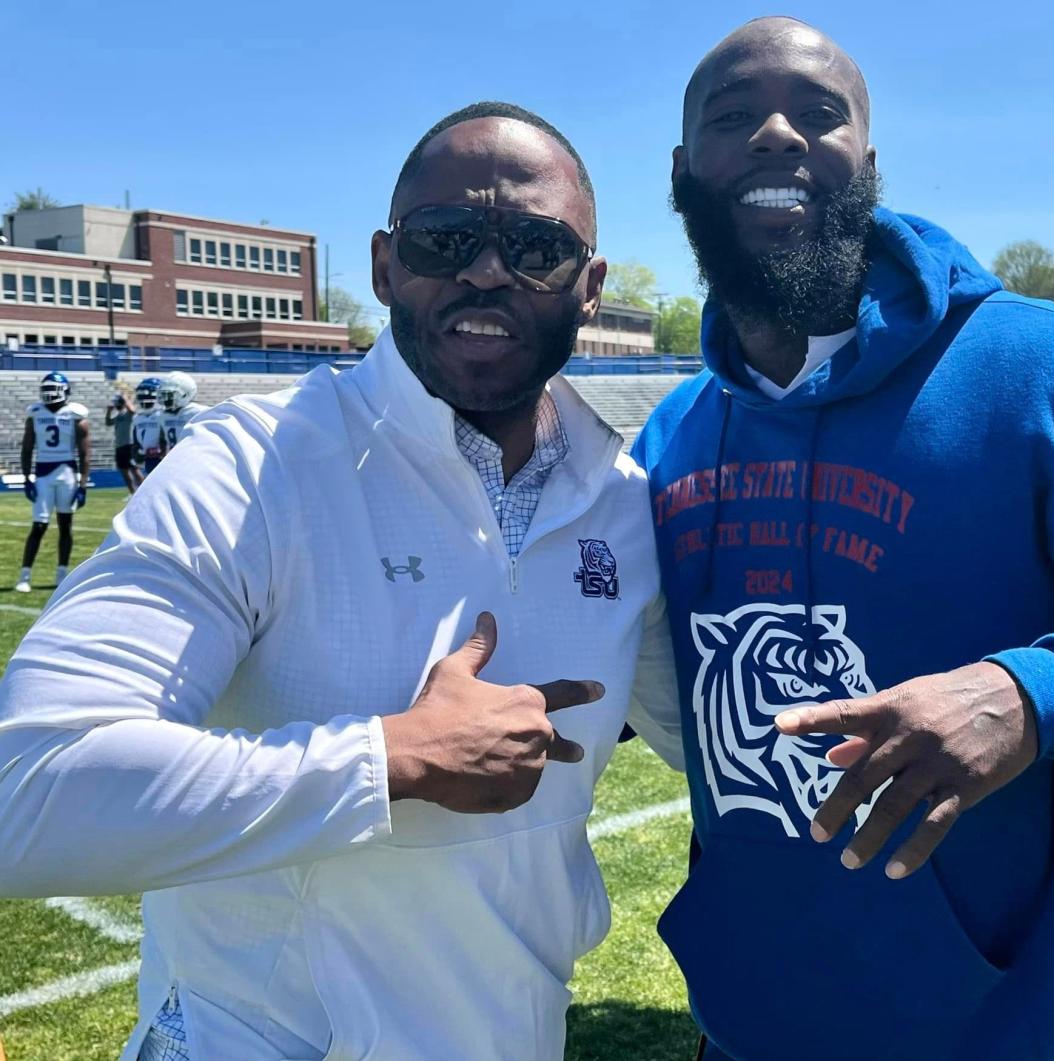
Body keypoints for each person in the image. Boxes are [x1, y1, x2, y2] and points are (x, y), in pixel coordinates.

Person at [0, 102, 679, 1060]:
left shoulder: (620, 500)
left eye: (536, 245)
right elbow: (25, 793)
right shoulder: (252, 466)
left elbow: (713, 741)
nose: (488, 270)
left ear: (589, 286)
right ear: (384, 265)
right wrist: (388, 759)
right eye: (447, 238)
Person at [632, 18, 1054, 1060]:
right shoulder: (672, 437)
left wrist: (1033, 695)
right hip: (746, 1035)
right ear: (685, 173)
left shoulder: (1050, 373)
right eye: (735, 117)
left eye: (819, 113)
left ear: (867, 162)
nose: (778, 133)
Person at [15, 372, 90, 593]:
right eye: (46, 390)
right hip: (43, 473)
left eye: (53, 390)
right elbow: (26, 448)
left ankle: (61, 574)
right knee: (39, 525)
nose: (49, 395)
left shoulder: (76, 414)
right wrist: (27, 478)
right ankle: (25, 575)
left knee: (65, 525)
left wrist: (83, 486)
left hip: (67, 471)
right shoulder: (35, 413)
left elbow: (85, 453)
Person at [156, 371, 206, 452]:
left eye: (170, 395)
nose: (166, 399)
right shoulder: (163, 415)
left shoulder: (197, 412)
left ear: (185, 394)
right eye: (164, 395)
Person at [106, 388, 144, 494]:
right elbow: (108, 422)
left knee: (134, 470)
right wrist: (109, 411)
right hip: (119, 446)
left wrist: (125, 398)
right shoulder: (118, 416)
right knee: (124, 471)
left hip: (129, 445)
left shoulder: (128, 414)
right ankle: (133, 493)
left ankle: (144, 492)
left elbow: (132, 410)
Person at [131, 376, 164, 475]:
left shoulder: (164, 415)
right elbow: (136, 443)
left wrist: (159, 450)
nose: (143, 399)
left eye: (147, 395)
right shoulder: (138, 417)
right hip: (149, 460)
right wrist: (138, 452)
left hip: (164, 459)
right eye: (141, 396)